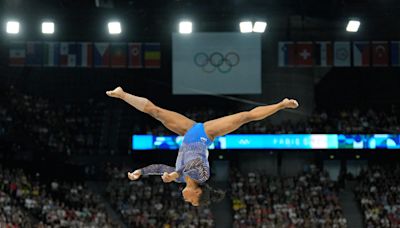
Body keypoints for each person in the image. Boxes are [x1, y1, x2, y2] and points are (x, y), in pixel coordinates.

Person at [106, 87, 299, 206]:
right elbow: (195, 162)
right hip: (205, 135)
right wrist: (175, 174)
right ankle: (281, 105)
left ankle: (122, 94)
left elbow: (159, 169)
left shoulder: (180, 178)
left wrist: (140, 171)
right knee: (244, 117)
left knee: (155, 111)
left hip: (188, 132)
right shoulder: (202, 175)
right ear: (198, 192)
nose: (187, 200)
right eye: (192, 201)